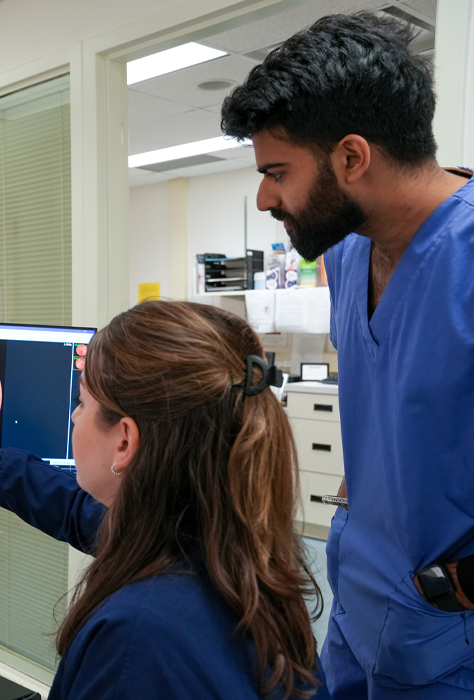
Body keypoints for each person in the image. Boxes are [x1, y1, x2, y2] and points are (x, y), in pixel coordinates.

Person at [220, 13, 474, 698]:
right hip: (358, 602)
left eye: (277, 172)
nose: (264, 197)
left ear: (352, 158)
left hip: (449, 632)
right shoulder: (347, 247)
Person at [0, 300, 328, 699]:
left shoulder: (135, 638)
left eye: (81, 403)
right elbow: (77, 511)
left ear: (125, 440)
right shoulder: (241, 557)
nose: (73, 417)